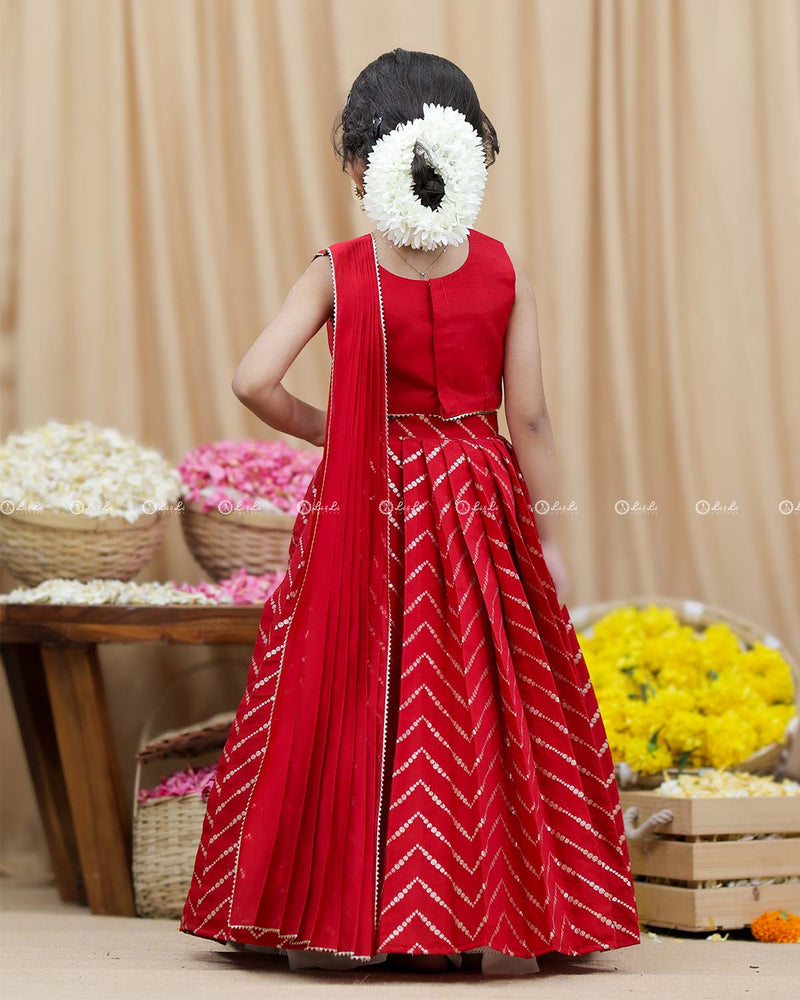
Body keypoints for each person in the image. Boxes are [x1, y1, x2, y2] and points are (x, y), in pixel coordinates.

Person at [179, 47, 641, 977]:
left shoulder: (339, 268)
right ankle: (475, 910)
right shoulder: (503, 270)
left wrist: (339, 429)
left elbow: (251, 381)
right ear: (471, 153)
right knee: (475, 698)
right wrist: (546, 540)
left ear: (358, 162)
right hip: (477, 502)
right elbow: (534, 417)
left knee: (348, 686)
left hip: (365, 492)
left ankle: (337, 906)